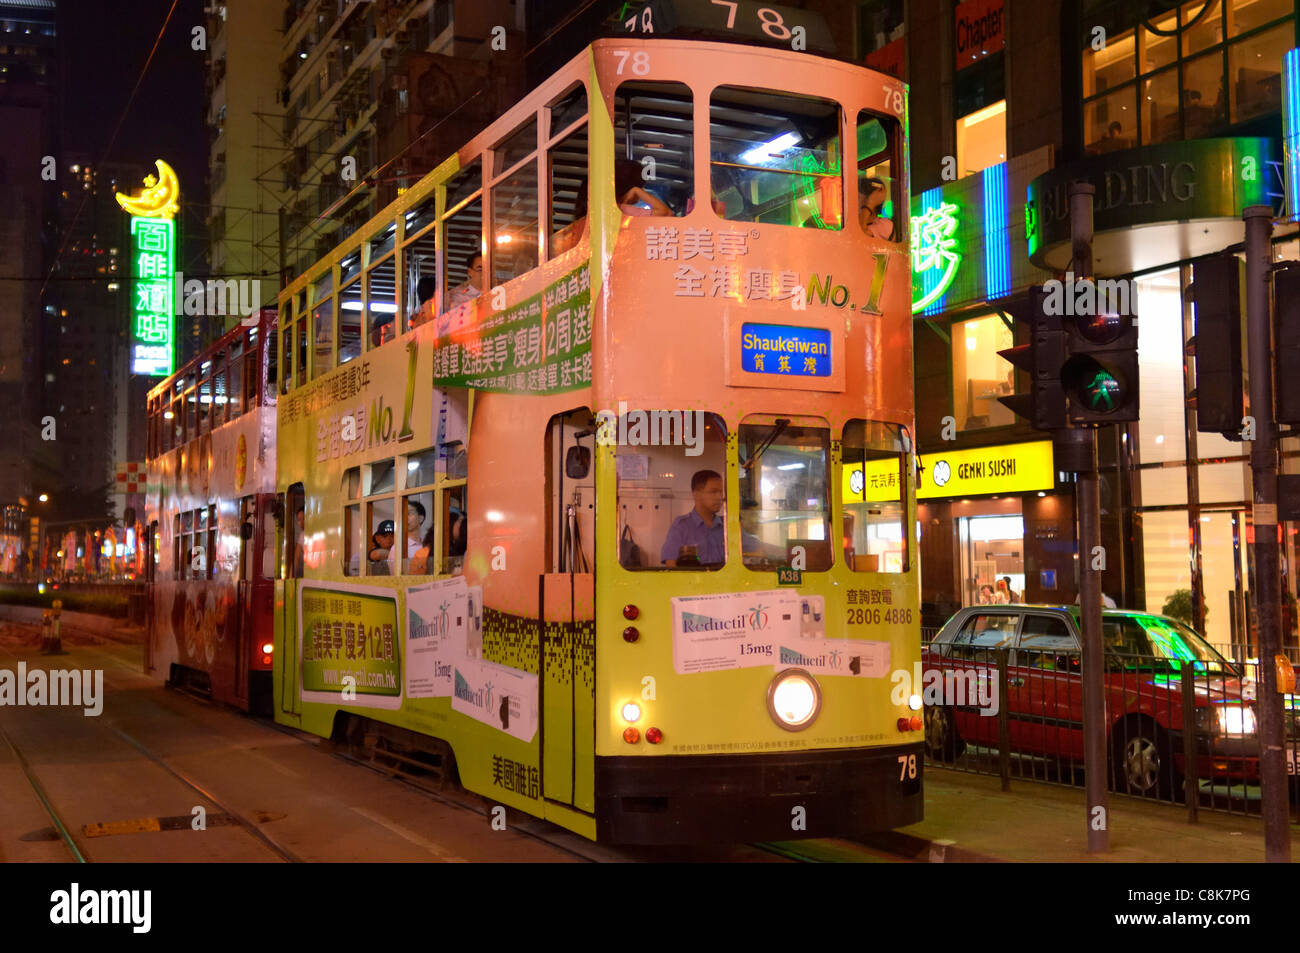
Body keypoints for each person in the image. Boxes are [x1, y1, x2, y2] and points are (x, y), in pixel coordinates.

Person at [662, 470, 726, 567]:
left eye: (721, 492)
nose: (719, 497)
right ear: (696, 495)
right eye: (713, 492)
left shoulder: (727, 526)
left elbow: (755, 548)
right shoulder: (681, 526)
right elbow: (671, 564)